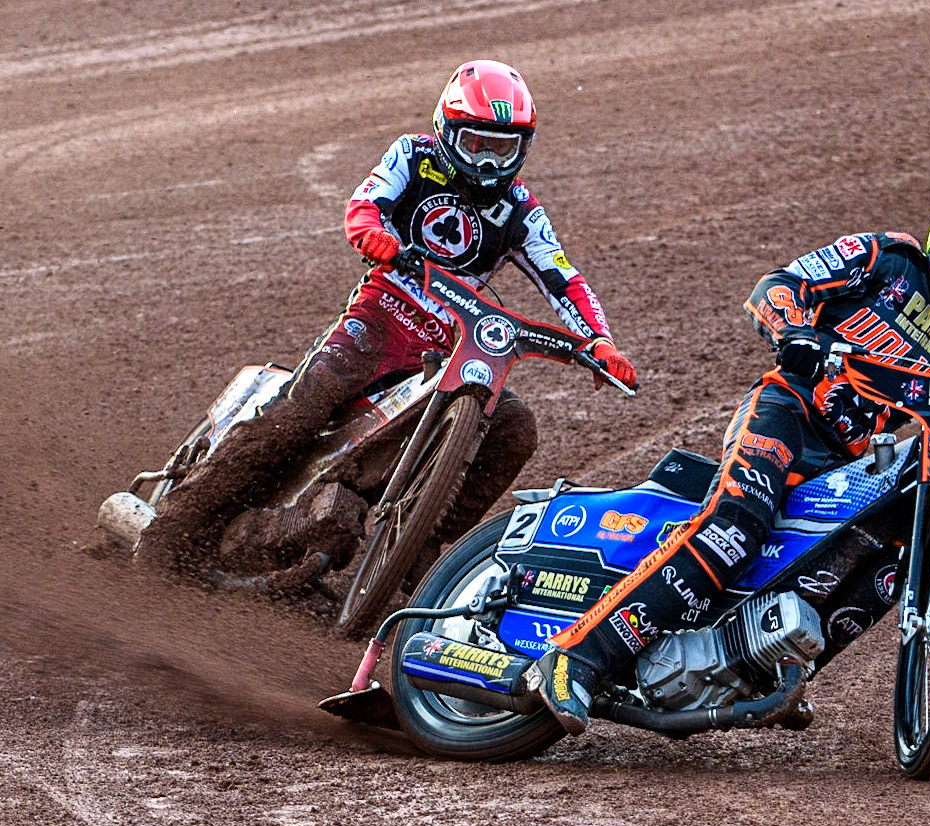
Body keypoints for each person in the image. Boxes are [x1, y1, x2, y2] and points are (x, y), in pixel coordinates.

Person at [528, 176, 930, 734]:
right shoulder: (888, 259)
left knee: (896, 556)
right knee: (736, 525)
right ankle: (575, 658)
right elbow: (778, 286)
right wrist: (795, 334)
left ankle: (770, 664)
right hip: (789, 413)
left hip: (853, 468)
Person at [137, 59, 637, 572]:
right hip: (379, 319)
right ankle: (172, 528)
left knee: (514, 427)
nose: (488, 164)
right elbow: (365, 202)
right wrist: (373, 233)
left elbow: (564, 277)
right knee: (302, 412)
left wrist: (600, 342)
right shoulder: (412, 154)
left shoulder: (520, 210)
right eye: (477, 145)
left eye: (502, 149)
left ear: (523, 149)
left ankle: (416, 548)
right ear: (448, 130)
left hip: (447, 351)